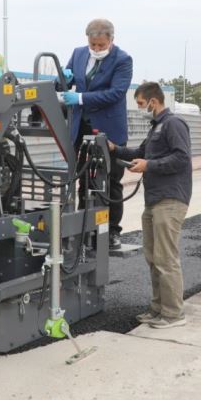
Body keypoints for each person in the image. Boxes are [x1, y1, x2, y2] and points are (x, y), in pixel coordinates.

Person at [109, 82, 192, 329]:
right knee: (154, 258)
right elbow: (140, 152)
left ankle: (173, 314)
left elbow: (181, 157)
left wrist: (149, 166)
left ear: (153, 102)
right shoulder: (155, 127)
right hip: (154, 200)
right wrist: (115, 149)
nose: (140, 108)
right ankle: (158, 309)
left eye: (141, 104)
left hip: (170, 199)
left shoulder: (173, 124)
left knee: (166, 259)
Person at [64, 18, 132, 250]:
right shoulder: (78, 54)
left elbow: (116, 93)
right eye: (93, 45)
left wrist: (81, 97)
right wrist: (63, 79)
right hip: (81, 128)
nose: (96, 49)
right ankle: (86, 229)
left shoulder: (122, 60)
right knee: (84, 179)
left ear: (111, 40)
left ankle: (112, 231)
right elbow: (66, 81)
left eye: (101, 45)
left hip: (109, 129)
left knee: (111, 181)